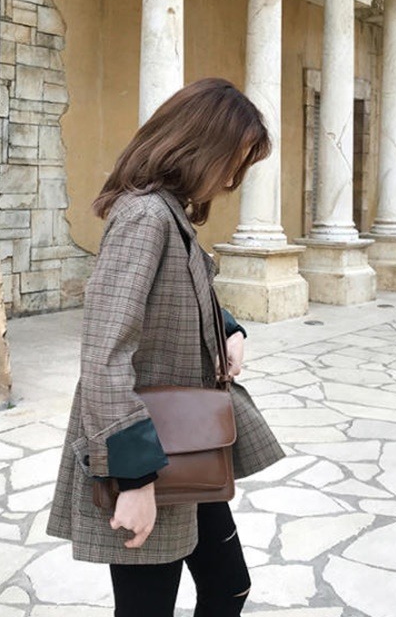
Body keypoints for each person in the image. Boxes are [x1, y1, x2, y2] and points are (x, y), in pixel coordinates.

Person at [47, 78, 284, 617]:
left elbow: (181, 288)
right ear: (198, 147)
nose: (232, 179)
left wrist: (227, 328)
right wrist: (133, 480)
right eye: (233, 162)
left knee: (228, 587)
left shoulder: (168, 214)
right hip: (149, 457)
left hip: (187, 447)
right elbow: (105, 352)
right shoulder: (144, 216)